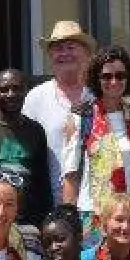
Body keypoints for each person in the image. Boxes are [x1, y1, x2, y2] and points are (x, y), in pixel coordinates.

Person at [63, 45, 130, 226]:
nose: (114, 82)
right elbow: (71, 174)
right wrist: (69, 219)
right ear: (96, 79)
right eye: (107, 76)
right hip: (94, 215)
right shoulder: (81, 117)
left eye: (120, 76)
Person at [22, 21, 96, 203]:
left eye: (71, 48)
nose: (64, 54)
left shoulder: (100, 94)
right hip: (48, 203)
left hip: (97, 201)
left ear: (86, 53)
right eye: (58, 49)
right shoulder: (36, 97)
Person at [0, 68, 53, 226]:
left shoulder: (35, 130)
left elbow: (42, 182)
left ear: (26, 91)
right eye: (4, 90)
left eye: (16, 88)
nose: (11, 94)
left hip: (28, 219)